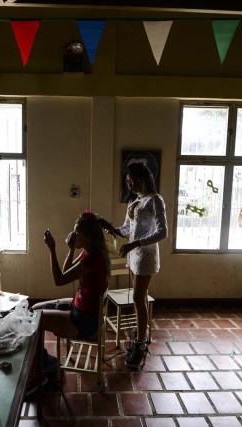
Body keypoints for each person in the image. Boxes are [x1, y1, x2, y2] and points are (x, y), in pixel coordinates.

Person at [30, 210, 110, 387]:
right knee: (34, 309)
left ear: (88, 237)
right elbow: (67, 273)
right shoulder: (90, 251)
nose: (73, 235)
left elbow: (59, 280)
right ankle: (43, 360)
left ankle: (39, 372)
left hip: (84, 320)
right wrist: (71, 249)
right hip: (82, 308)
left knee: (35, 319)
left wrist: (52, 250)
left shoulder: (92, 259)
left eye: (77, 233)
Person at [109, 162, 168, 369]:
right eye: (127, 181)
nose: (130, 184)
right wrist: (112, 228)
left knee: (137, 299)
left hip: (146, 256)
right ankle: (139, 339)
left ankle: (141, 343)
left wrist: (135, 243)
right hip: (133, 256)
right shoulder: (134, 202)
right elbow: (127, 228)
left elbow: (162, 232)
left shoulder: (155, 201)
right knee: (138, 299)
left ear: (143, 177)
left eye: (132, 180)